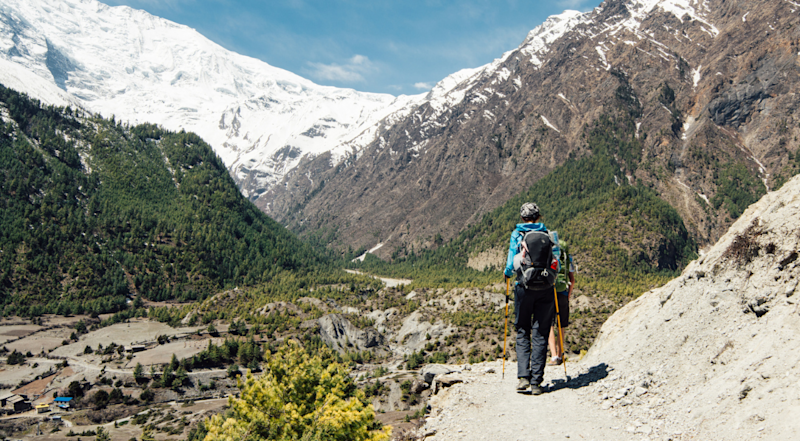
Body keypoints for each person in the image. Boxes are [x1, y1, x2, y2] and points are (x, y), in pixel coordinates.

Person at [503, 202, 557, 395]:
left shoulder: (517, 234)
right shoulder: (549, 235)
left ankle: (523, 377)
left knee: (523, 329)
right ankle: (536, 383)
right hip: (546, 288)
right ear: (538, 216)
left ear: (522, 218)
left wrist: (507, 273)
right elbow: (556, 261)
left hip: (523, 288)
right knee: (541, 332)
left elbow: (511, 263)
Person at [548, 242, 575, 365]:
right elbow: (572, 280)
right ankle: (560, 355)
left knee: (550, 325)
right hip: (563, 293)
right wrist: (567, 295)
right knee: (561, 325)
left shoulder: (548, 255)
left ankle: (553, 356)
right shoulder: (567, 257)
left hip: (549, 293)